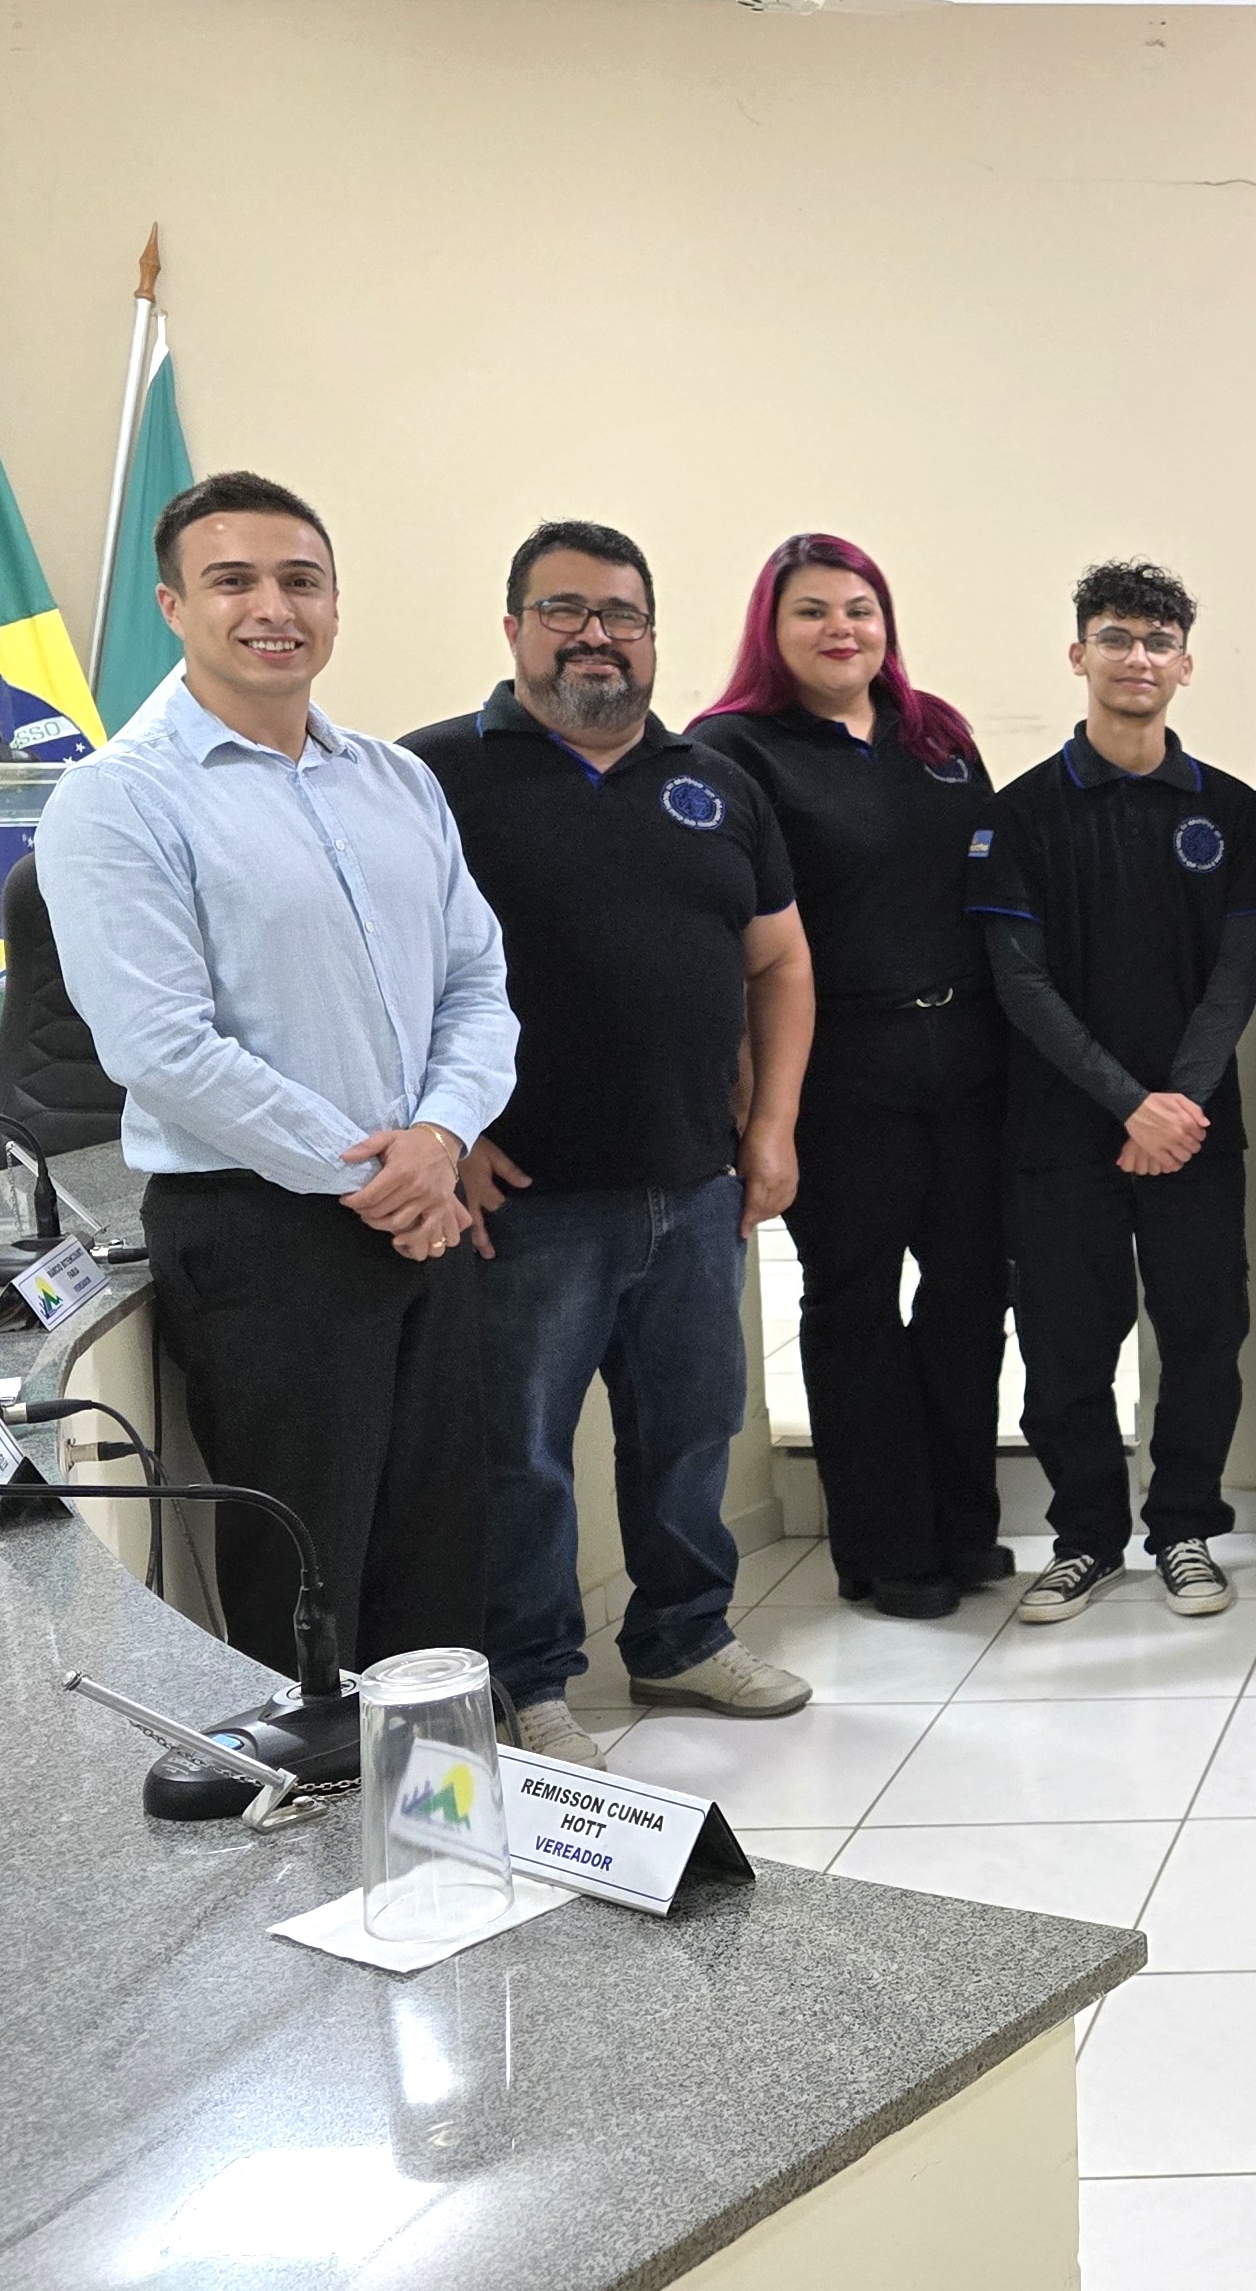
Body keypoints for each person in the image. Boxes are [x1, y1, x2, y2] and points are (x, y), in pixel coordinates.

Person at [42, 471, 513, 1680]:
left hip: (429, 1207)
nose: (273, 605)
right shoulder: (116, 800)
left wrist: (442, 1137)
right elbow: (160, 1044)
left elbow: (477, 983)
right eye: (233, 579)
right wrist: (379, 1173)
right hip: (264, 1233)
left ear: (335, 603)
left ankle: (440, 1815)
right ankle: (320, 1830)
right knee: (310, 1575)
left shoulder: (396, 781)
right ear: (173, 604)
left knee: (439, 1544)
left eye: (299, 578)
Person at [406, 522, 817, 1766]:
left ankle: (683, 1637)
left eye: (621, 614)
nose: (596, 634)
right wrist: (449, 1129)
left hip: (693, 1183)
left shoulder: (716, 779)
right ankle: (529, 1680)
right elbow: (383, 976)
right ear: (515, 625)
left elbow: (782, 960)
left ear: (652, 631)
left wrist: (772, 1125)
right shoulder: (431, 778)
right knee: (521, 1455)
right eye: (564, 609)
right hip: (527, 1198)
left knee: (691, 1428)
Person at [687, 534, 1007, 1625]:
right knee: (856, 1301)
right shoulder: (731, 750)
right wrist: (751, 1105)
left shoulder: (938, 735)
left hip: (969, 1058)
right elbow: (731, 942)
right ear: (769, 631)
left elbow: (994, 890)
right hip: (836, 1070)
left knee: (970, 1297)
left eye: (861, 609)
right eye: (814, 611)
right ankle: (885, 1545)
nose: (842, 630)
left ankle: (966, 1524)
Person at [969, 559, 1256, 1622]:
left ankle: (1184, 1526)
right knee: (1064, 1346)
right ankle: (1086, 1536)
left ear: (1185, 662)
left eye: (1155, 639)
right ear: (1077, 654)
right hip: (1061, 1134)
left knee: (1200, 1336)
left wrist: (1175, 1105)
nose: (1135, 656)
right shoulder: (1017, 817)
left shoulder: (1230, 811)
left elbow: (1236, 976)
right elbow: (1020, 981)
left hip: (1194, 1134)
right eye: (1114, 636)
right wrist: (1124, 1104)